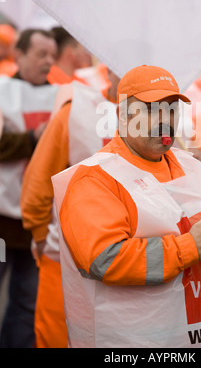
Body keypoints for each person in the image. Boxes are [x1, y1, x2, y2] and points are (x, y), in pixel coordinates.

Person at [52, 65, 201, 348]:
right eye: (153, 110)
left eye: (171, 110)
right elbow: (105, 259)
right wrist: (189, 247)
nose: (165, 120)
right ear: (122, 115)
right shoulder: (95, 178)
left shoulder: (191, 166)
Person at [20, 69, 120, 348]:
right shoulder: (77, 110)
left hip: (127, 265)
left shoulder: (164, 115)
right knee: (56, 338)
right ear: (109, 70)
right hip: (65, 257)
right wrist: (41, 235)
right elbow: (39, 178)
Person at [0, 28, 58, 348]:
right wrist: (33, 138)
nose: (48, 61)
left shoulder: (64, 97)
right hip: (2, 217)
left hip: (37, 223)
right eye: (40, 54)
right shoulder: (2, 89)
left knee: (26, 303)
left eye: (52, 54)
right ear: (19, 55)